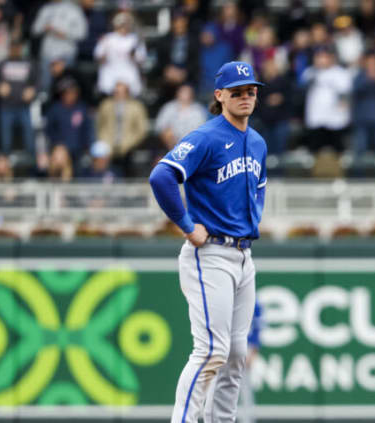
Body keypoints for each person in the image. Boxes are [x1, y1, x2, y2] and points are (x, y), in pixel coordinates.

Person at [149, 60, 267, 423]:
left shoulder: (258, 142)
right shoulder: (207, 136)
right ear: (220, 96)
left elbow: (255, 194)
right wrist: (186, 224)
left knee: (235, 355)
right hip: (211, 251)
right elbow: (162, 176)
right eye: (237, 92)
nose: (245, 96)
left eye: (250, 91)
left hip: (243, 255)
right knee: (212, 351)